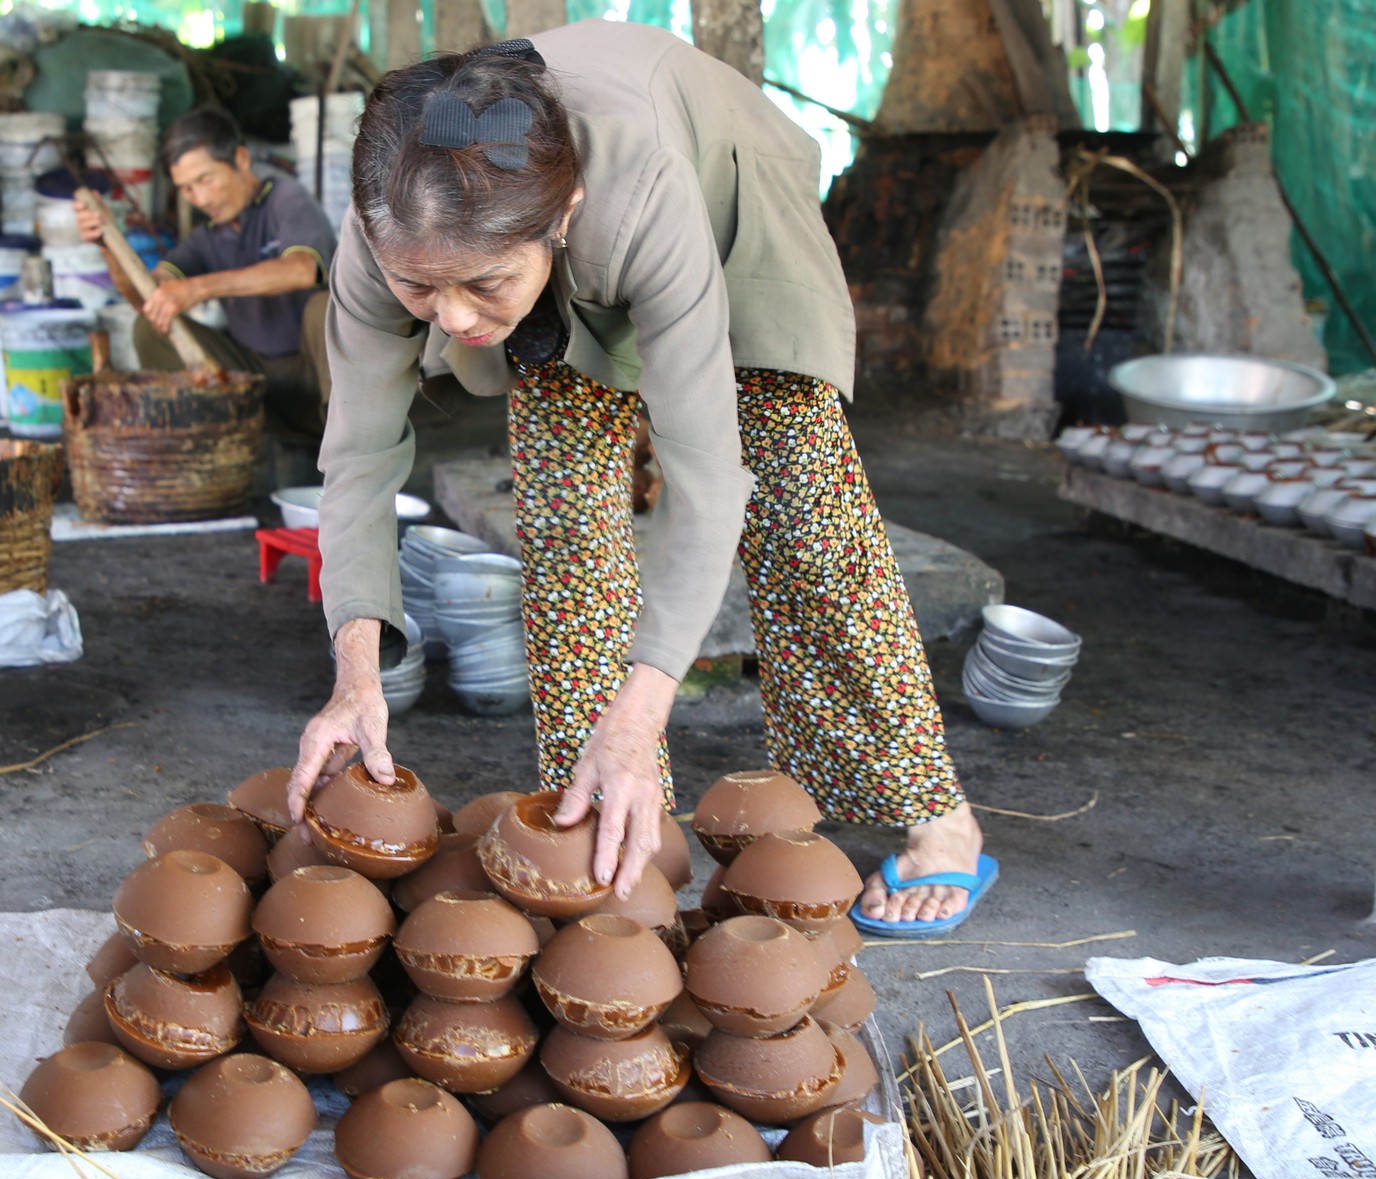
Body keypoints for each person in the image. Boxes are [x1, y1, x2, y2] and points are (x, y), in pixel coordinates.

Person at [285, 23, 994, 937]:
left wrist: (644, 701)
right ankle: (623, 833)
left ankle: (941, 816)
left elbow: (705, 473)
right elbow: (359, 454)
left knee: (803, 511)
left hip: (726, 202)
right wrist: (354, 674)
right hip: (516, 224)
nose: (451, 317)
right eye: (421, 292)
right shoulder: (396, 226)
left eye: (482, 286)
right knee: (566, 532)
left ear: (564, 215)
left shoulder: (638, 197)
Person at [74, 106, 335, 443]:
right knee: (150, 328)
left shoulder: (286, 198)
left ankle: (349, 444)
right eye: (186, 189)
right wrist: (107, 243)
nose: (199, 197)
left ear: (240, 159)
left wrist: (198, 289)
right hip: (258, 385)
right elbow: (148, 297)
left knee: (324, 308)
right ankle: (221, 436)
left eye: (205, 179)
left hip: (320, 379)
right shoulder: (206, 238)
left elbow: (303, 269)